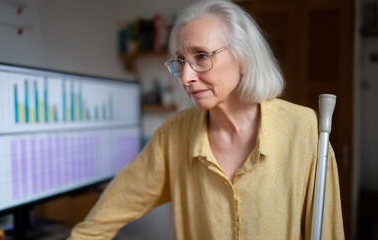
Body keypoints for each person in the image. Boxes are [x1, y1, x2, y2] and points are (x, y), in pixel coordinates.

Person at [68, 0, 344, 239]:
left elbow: (328, 231)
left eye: (201, 56)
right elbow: (106, 215)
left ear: (243, 57)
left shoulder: (302, 128)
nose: (186, 77)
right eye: (180, 61)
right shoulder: (174, 135)